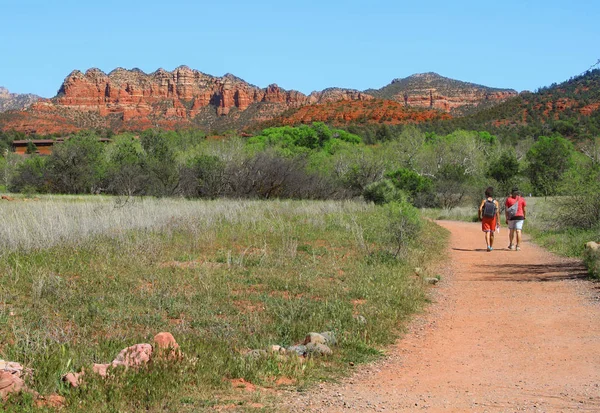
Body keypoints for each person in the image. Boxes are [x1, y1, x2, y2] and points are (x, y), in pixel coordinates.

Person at [478, 186, 500, 252]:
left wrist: (479, 216)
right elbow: (497, 212)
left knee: (487, 232)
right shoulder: (496, 202)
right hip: (493, 218)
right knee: (492, 232)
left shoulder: (484, 201)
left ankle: (488, 245)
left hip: (485, 217)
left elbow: (480, 209)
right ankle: (491, 246)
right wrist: (498, 221)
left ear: (486, 194)